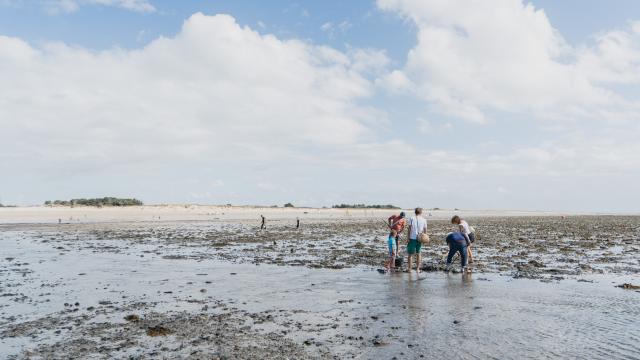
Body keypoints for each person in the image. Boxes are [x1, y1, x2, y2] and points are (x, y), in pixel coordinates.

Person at [406, 208, 428, 274]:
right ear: (421, 212)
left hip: (412, 238)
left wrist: (408, 237)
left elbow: (409, 229)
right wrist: (425, 238)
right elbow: (425, 230)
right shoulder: (424, 219)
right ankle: (418, 269)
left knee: (410, 254)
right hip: (420, 238)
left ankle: (410, 269)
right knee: (418, 253)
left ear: (415, 212)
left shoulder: (411, 218)